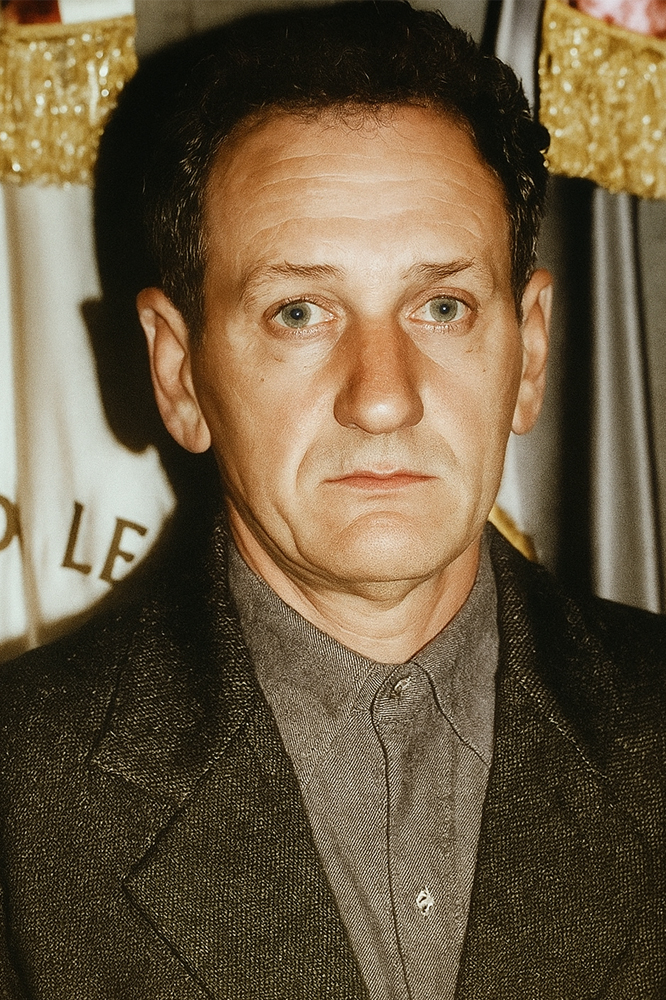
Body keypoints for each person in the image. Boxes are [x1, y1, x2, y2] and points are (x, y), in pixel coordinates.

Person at [0, 3, 664, 998]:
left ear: (528, 351)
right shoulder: (18, 801)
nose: (383, 396)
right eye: (299, 312)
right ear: (179, 373)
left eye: (442, 306)